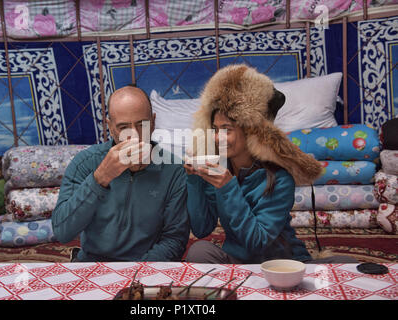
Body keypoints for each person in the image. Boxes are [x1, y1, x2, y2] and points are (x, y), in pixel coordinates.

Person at [184, 64, 357, 264]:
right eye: (215, 129)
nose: (217, 138)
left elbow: (258, 241)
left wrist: (228, 188)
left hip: (282, 263)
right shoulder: (219, 171)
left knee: (350, 267)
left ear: (250, 130)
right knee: (199, 251)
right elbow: (201, 228)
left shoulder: (279, 178)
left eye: (226, 129)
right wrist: (194, 180)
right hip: (238, 263)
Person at [52, 86, 190, 262]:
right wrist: (100, 178)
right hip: (93, 264)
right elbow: (62, 232)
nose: (134, 136)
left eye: (142, 125)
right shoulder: (85, 162)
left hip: (146, 270)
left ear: (153, 122)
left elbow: (174, 239)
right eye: (123, 127)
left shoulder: (174, 170)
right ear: (110, 127)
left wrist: (136, 275)